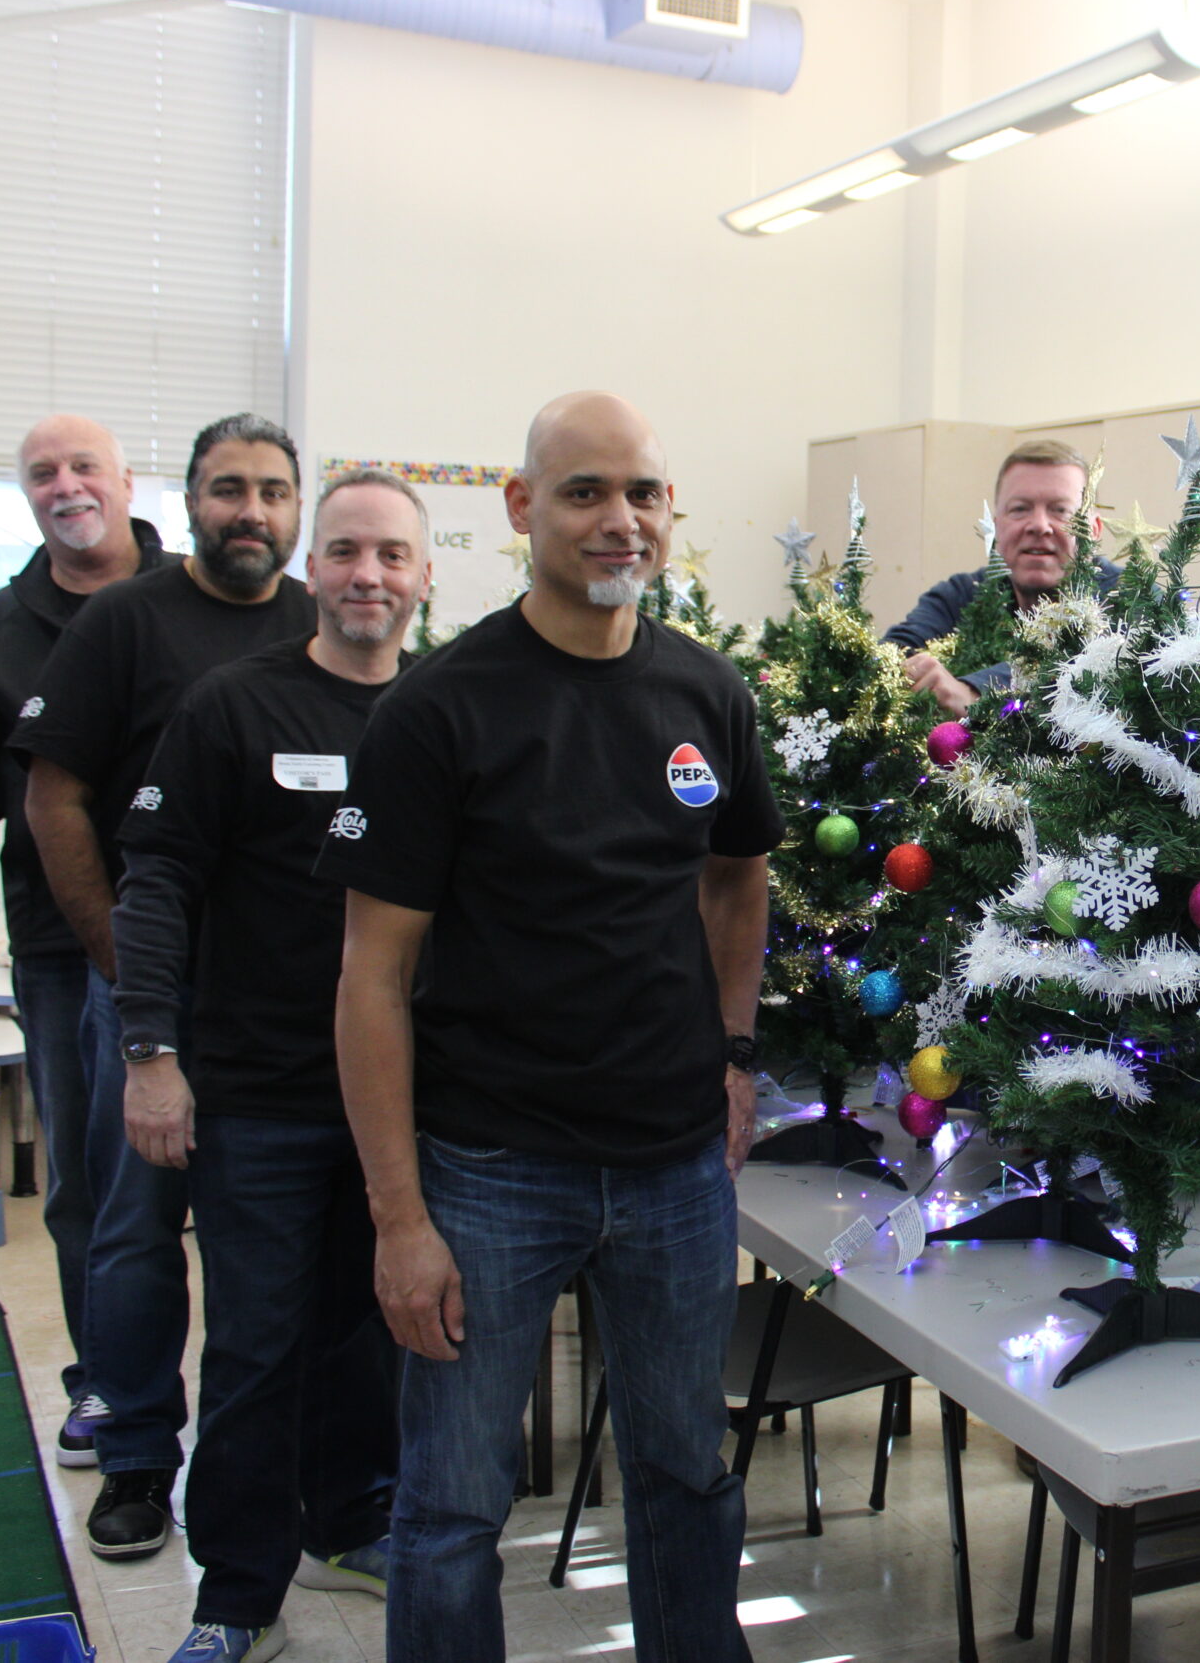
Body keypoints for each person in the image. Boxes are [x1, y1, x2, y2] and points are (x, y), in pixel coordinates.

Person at [318, 392, 784, 1662]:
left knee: (687, 1470)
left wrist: (735, 1053)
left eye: (640, 492)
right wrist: (400, 1218)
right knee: (456, 1503)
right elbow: (371, 974)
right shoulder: (439, 709)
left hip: (675, 1168)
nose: (616, 519)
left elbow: (736, 876)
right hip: (488, 1173)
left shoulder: (706, 693)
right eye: (583, 492)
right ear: (523, 508)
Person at [110, 468, 429, 1663]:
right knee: (255, 1347)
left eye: (392, 556)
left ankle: (353, 1520)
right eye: (346, 552)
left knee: (371, 1332)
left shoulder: (438, 716)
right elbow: (156, 887)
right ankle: (235, 1595)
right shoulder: (230, 708)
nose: (368, 577)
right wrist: (151, 1053)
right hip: (258, 1099)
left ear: (424, 577)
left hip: (398, 1106)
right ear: (313, 569)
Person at [13, 413, 318, 1559]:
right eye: (229, 488)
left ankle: (276, 1470)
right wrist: (119, 966)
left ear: (299, 508)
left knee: (266, 1242)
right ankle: (138, 1456)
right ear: (187, 500)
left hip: (280, 1014)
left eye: (274, 492)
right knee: (136, 1233)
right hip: (151, 997)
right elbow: (53, 798)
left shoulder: (320, 621)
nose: (252, 511)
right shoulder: (121, 623)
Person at [0, 414, 165, 1467]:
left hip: (225, 948)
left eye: (83, 466)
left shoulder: (198, 599)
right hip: (63, 950)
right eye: (42, 473)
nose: (66, 485)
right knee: (89, 1188)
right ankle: (106, 1385)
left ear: (125, 480)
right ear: (27, 496)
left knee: (253, 1182)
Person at [884, 438, 1114, 714]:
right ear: (996, 528)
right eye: (1019, 509)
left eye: (1060, 510)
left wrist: (974, 690)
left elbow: (1074, 661)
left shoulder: (1132, 599)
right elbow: (892, 654)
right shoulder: (963, 595)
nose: (1040, 525)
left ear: (1094, 530)